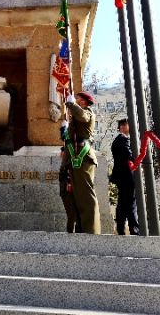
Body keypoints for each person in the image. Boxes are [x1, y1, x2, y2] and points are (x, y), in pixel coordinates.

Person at [62, 91, 101, 234]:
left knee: (86, 195)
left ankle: (91, 231)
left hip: (83, 158)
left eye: (77, 98)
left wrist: (71, 104)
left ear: (83, 102)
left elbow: (82, 116)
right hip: (75, 157)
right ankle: (81, 229)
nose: (75, 99)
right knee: (77, 196)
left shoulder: (87, 112)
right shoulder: (77, 115)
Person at [110, 118, 140, 235]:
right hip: (126, 176)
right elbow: (129, 155)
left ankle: (121, 229)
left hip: (122, 176)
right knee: (131, 203)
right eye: (128, 124)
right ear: (122, 127)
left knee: (122, 203)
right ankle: (134, 230)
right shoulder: (123, 140)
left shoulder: (119, 140)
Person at [58, 146, 81, 233]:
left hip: (70, 191)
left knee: (73, 213)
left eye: (62, 152)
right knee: (70, 213)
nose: (60, 154)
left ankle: (72, 232)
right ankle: (72, 232)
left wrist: (69, 183)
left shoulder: (70, 163)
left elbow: (71, 176)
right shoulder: (65, 163)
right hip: (65, 192)